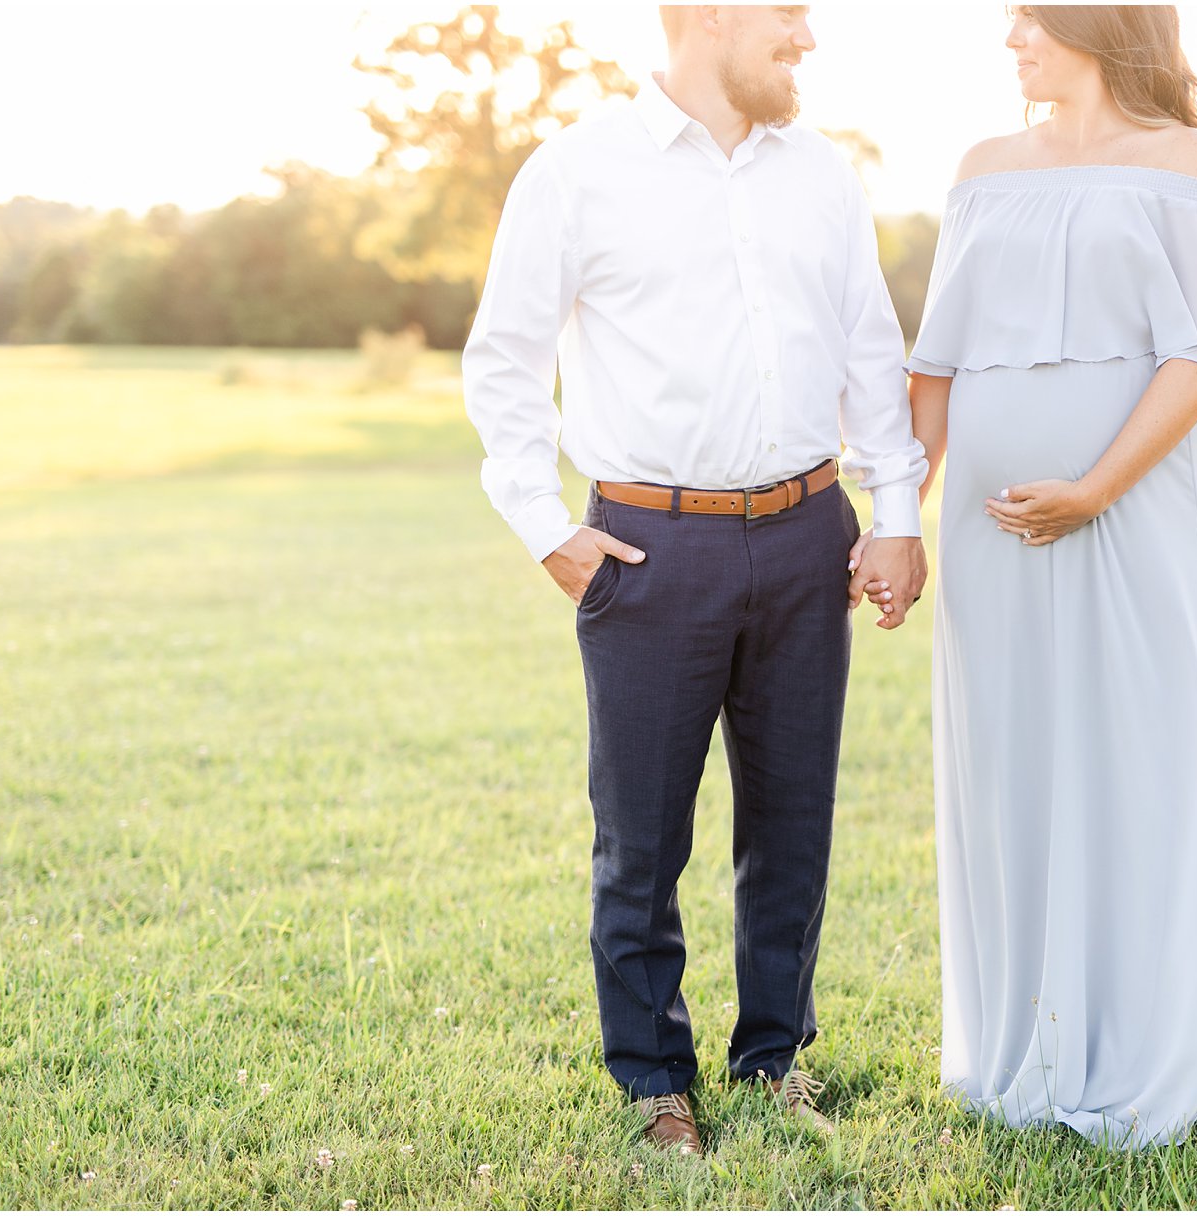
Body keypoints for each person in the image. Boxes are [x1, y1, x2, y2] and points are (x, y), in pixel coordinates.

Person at [460, 4, 928, 1157]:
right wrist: (545, 527)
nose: (809, 42)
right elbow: (503, 360)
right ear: (712, 15)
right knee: (641, 835)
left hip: (811, 529)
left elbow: (871, 352)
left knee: (793, 825)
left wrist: (896, 514)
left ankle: (774, 1056)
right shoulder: (574, 172)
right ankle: (653, 1077)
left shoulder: (822, 174)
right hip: (649, 551)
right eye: (790, 18)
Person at [880, 3, 1197, 1148]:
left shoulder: (1186, 163)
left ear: (1097, 24)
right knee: (1012, 771)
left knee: (1138, 755)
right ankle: (1025, 1050)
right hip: (989, 541)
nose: (1009, 47)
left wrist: (1097, 487)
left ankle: (1143, 1049)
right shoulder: (983, 170)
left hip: (1135, 518)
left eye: (1028, 24)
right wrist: (895, 518)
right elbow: (936, 363)